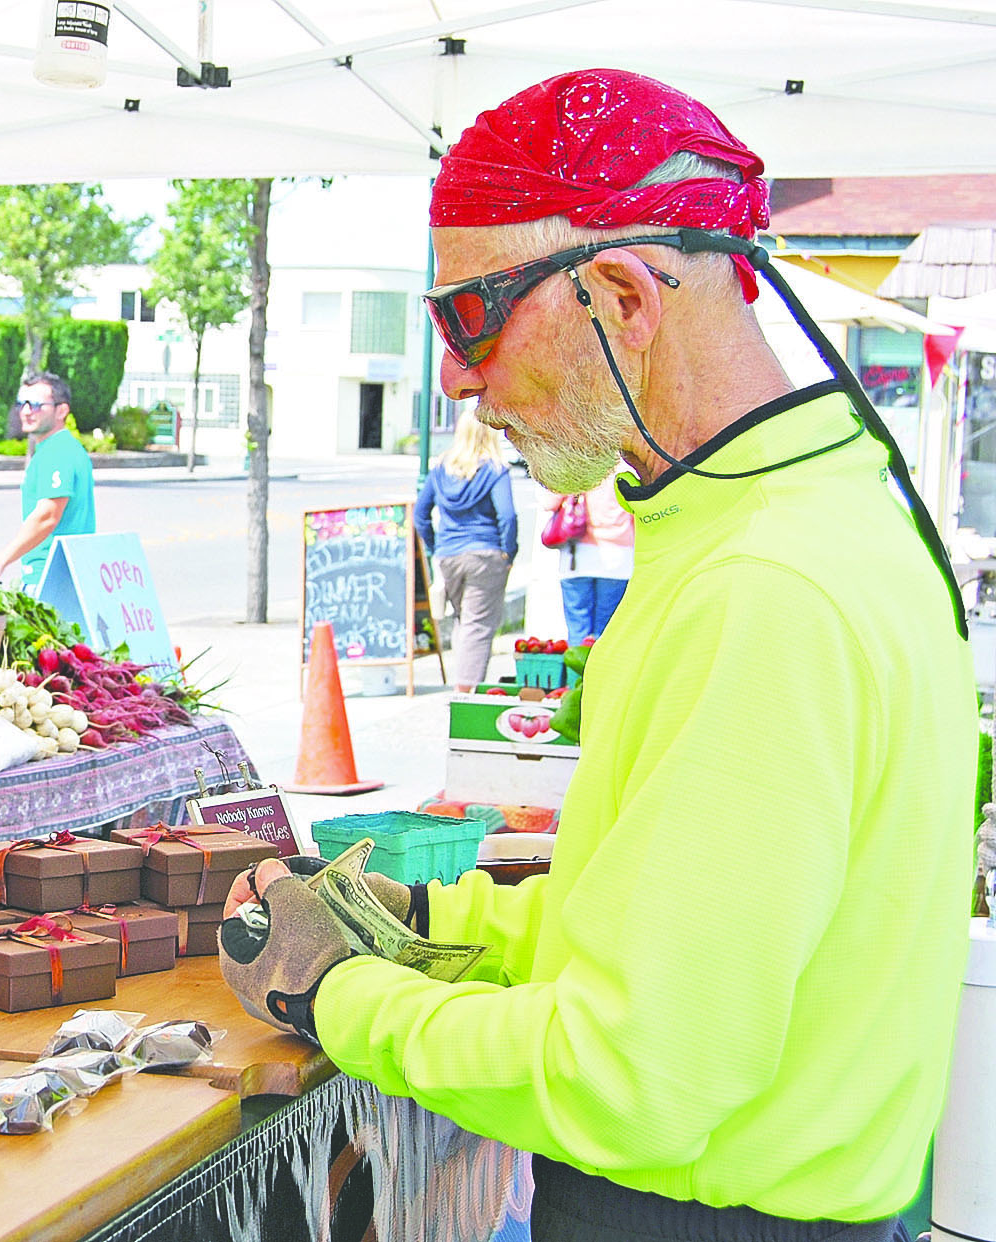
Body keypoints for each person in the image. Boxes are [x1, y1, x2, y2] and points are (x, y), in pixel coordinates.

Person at [220, 68, 972, 1238]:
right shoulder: (802, 520)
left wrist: (338, 996)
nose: (456, 374)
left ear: (621, 295)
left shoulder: (758, 588)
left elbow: (635, 1079)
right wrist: (424, 917)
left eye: (470, 316)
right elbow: (648, 927)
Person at [413, 409, 517, 692]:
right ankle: (467, 690)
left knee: (465, 620)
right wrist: (509, 552)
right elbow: (507, 516)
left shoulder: (440, 469)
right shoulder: (495, 470)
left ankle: (464, 681)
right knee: (478, 624)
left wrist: (436, 548)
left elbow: (420, 515)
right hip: (485, 555)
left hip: (449, 555)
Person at [0, 371, 95, 590]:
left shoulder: (57, 452)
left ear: (62, 411)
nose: (26, 411)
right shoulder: (67, 447)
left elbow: (47, 516)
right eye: (21, 404)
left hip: (50, 579)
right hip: (68, 575)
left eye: (36, 405)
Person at [552, 472, 634, 644]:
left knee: (577, 630)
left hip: (577, 558)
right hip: (617, 559)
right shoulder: (625, 468)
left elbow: (548, 503)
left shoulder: (576, 466)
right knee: (607, 633)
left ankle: (577, 662)